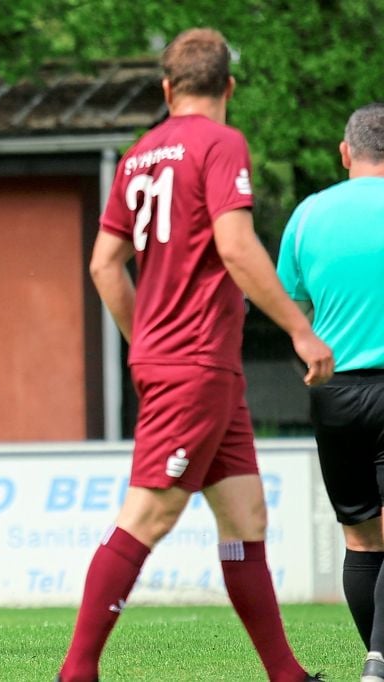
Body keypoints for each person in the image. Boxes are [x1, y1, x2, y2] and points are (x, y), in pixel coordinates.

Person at [57, 28, 334, 682]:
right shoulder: (221, 142)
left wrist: (145, 337)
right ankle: (77, 672)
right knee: (149, 513)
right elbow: (235, 246)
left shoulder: (139, 155)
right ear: (228, 88)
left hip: (201, 367)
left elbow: (104, 265)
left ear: (167, 89)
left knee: (244, 516)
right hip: (197, 362)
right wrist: (300, 329)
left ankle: (287, 676)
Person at [275, 102, 384, 682]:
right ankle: (378, 664)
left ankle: (376, 658)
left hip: (334, 391)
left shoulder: (310, 214)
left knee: (362, 536)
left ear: (346, 152)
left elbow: (289, 301)